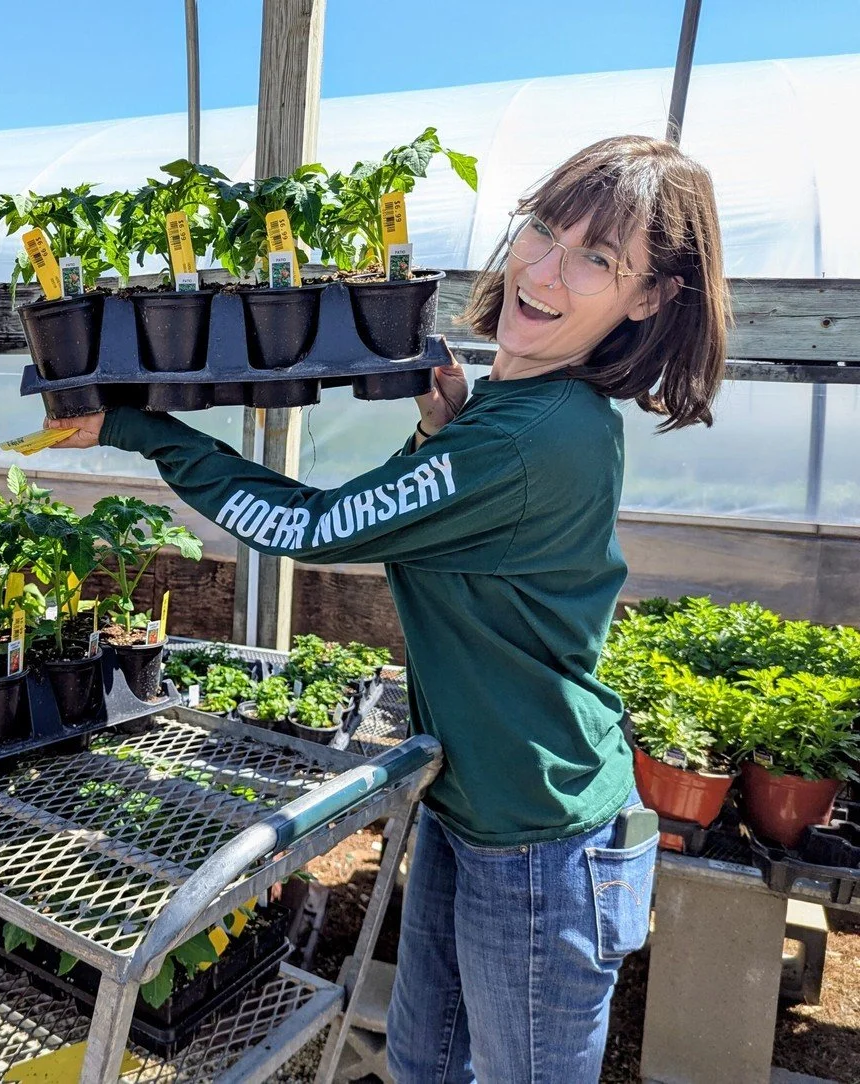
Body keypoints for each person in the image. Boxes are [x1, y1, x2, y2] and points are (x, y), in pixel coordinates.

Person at [43, 134, 729, 1082]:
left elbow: (310, 527)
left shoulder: (534, 437)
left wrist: (141, 429)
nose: (544, 267)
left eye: (597, 260)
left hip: (535, 839)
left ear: (648, 300)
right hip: (474, 805)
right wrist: (438, 427)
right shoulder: (520, 410)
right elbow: (449, 524)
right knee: (422, 1065)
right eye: (542, 229)